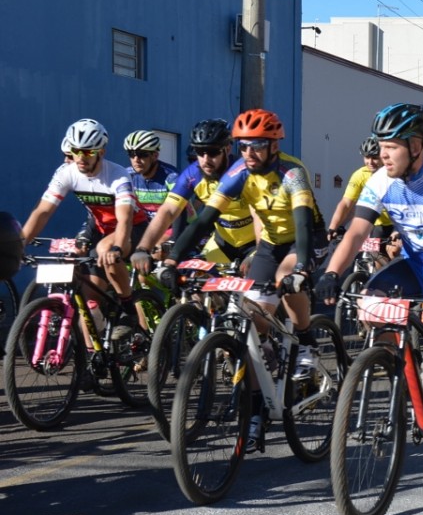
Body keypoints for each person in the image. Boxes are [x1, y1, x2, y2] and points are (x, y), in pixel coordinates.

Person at [315, 103, 423, 478]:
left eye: (390, 146)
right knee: (372, 305)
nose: (382, 154)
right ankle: (395, 369)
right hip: (413, 266)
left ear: (416, 146)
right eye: (380, 145)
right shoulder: (380, 181)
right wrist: (332, 272)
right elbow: (356, 233)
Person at [164, 108, 327, 379]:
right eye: (243, 146)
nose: (249, 153)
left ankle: (306, 341)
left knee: (285, 277)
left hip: (305, 239)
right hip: (271, 244)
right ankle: (261, 388)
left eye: (258, 146)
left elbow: (303, 223)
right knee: (253, 321)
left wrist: (301, 268)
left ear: (274, 145)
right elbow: (204, 220)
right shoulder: (239, 172)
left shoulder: (292, 172)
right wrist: (173, 259)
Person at [22, 119, 150, 338]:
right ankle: (93, 354)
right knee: (90, 299)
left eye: (88, 152)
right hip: (100, 230)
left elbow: (125, 219)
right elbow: (42, 211)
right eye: (76, 151)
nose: (81, 157)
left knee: (105, 250)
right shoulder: (66, 172)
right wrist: (19, 243)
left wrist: (117, 248)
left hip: (134, 229)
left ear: (101, 152)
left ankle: (128, 310)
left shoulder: (118, 174)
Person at [131, 119, 255, 275]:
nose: (205, 160)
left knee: (256, 286)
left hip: (257, 243)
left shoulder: (246, 172)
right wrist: (143, 248)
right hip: (222, 243)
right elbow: (168, 211)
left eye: (212, 152)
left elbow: (266, 217)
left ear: (228, 149)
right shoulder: (192, 175)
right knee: (195, 281)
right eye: (199, 152)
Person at [326, 135, 393, 265]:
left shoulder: (393, 174)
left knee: (393, 252)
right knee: (375, 256)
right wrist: (333, 227)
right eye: (367, 157)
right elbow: (346, 203)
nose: (370, 162)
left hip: (396, 222)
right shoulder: (359, 175)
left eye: (374, 157)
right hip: (377, 224)